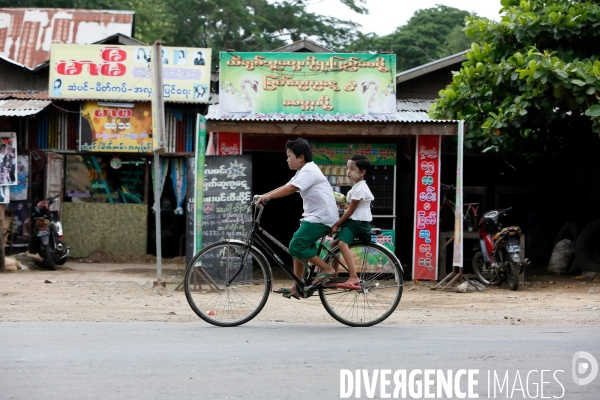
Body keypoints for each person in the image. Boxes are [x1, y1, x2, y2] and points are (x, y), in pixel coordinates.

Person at [256, 139, 339, 299]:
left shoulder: (309, 171)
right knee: (297, 246)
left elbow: (292, 188)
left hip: (321, 217)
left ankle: (327, 269)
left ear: (300, 157)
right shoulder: (303, 171)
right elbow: (285, 186)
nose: (287, 160)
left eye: (289, 156)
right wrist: (264, 195)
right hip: (315, 216)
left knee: (296, 246)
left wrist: (268, 197)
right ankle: (297, 285)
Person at [330, 155, 374, 290]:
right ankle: (333, 275)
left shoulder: (361, 188)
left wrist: (337, 224)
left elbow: (350, 211)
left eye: (352, 168)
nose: (348, 171)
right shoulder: (356, 187)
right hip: (353, 220)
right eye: (347, 168)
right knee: (334, 244)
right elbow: (349, 208)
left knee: (343, 244)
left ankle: (353, 276)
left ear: (362, 172)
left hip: (358, 222)